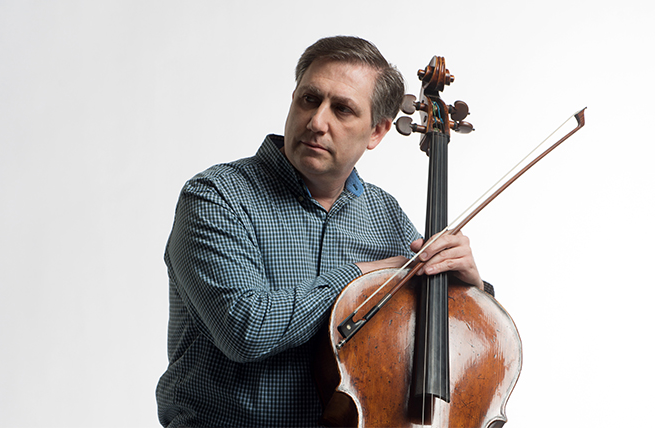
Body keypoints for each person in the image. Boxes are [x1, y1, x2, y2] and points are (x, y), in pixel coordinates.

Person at [156, 36, 491, 427]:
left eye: (343, 109)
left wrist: (470, 288)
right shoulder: (217, 197)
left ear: (377, 132)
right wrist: (362, 276)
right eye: (309, 99)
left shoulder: (385, 215)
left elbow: (435, 330)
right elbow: (245, 330)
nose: (317, 122)